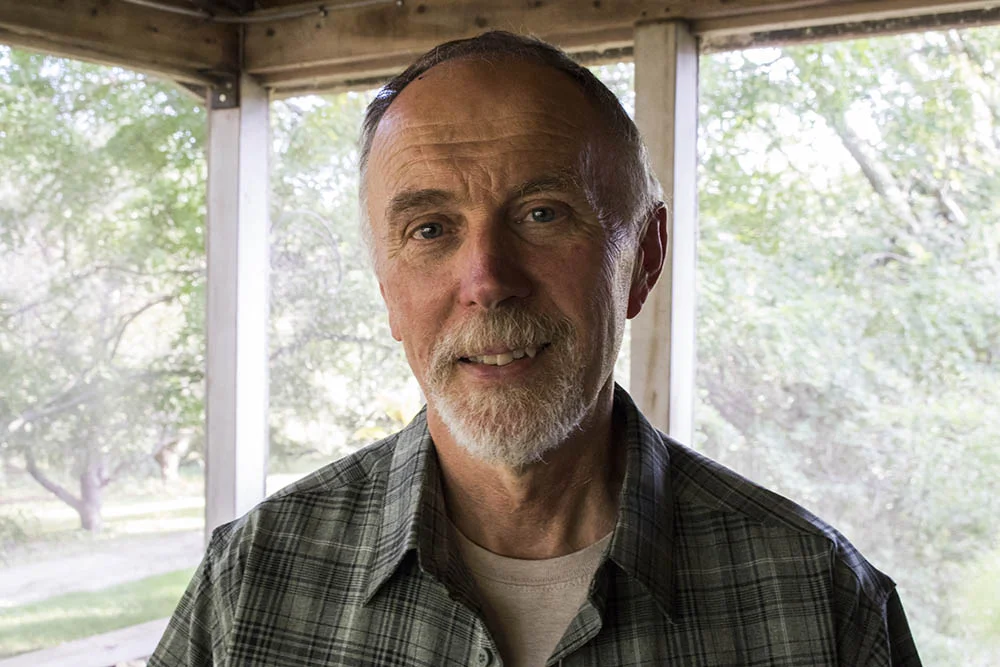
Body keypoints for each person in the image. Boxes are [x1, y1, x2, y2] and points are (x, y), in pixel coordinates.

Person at [149, 31, 921, 667]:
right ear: (387, 287)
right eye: (430, 229)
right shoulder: (251, 583)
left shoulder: (820, 601)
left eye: (543, 214)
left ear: (644, 257)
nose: (487, 281)